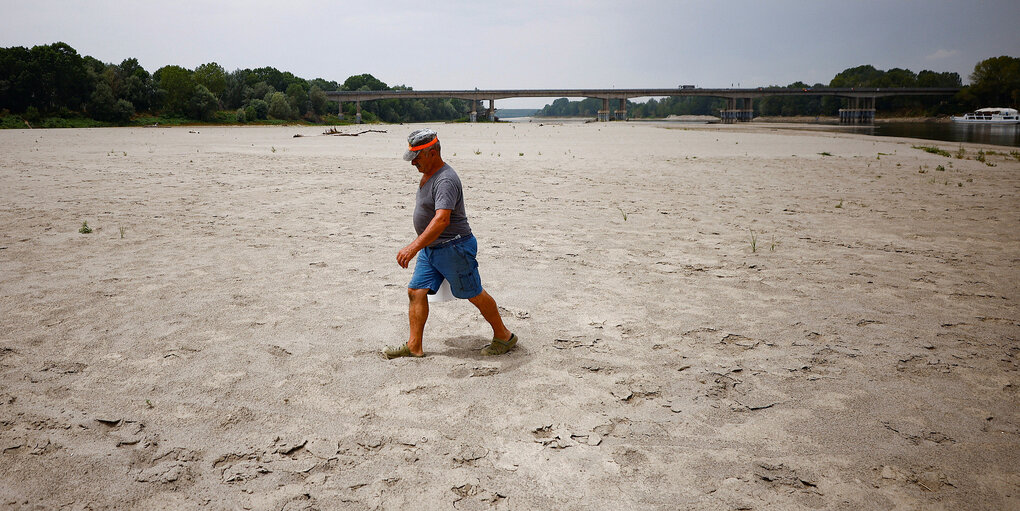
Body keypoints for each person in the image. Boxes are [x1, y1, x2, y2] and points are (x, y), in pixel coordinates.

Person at [384, 128, 518, 359]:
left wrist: (413, 247)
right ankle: (414, 346)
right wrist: (422, 246)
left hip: (454, 247)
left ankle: (504, 336)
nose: (413, 163)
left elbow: (442, 219)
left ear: (432, 153)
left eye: (417, 157)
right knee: (416, 291)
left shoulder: (446, 179)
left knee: (473, 293)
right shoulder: (428, 173)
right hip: (432, 248)